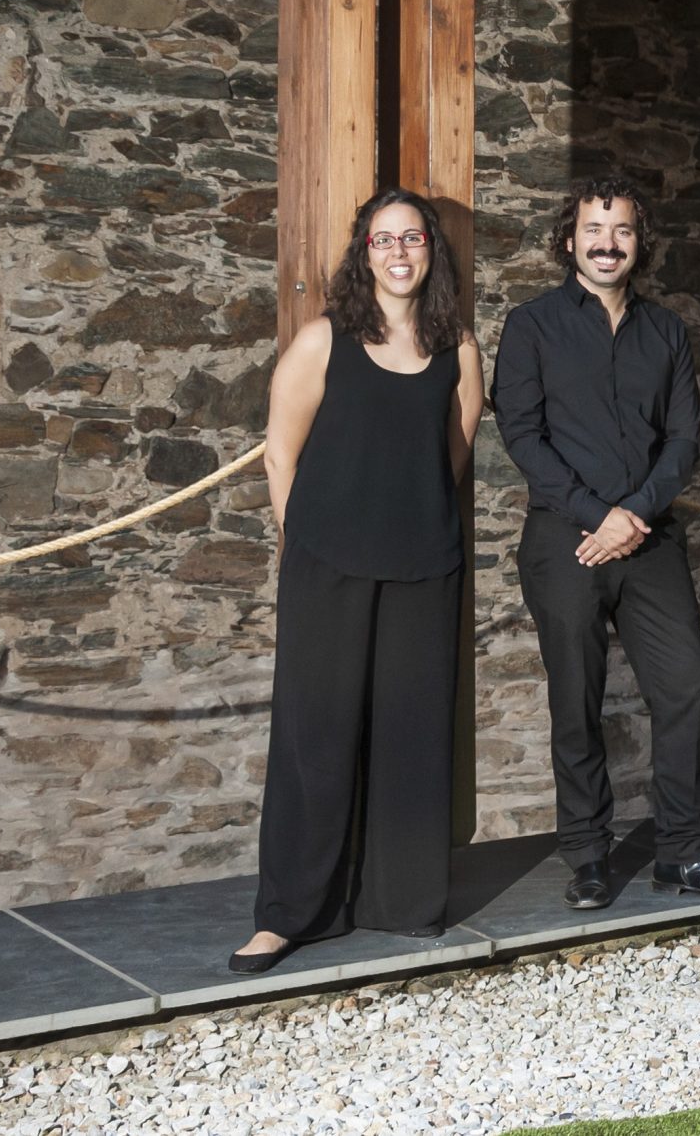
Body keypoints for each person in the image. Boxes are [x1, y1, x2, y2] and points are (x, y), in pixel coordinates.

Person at [493, 176, 700, 911]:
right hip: (566, 538)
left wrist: (634, 513)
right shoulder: (532, 325)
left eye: (620, 230)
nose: (607, 242)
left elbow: (684, 440)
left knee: (686, 680)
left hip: (648, 537)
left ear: (638, 243)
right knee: (577, 698)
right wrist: (597, 515)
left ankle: (684, 849)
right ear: (569, 239)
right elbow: (522, 433)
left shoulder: (666, 332)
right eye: (594, 228)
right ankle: (587, 853)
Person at [231, 188, 483, 974]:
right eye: (384, 241)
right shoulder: (323, 339)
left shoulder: (460, 348)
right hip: (326, 566)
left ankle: (400, 901)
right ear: (363, 253)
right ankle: (289, 913)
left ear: (431, 251)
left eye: (413, 238)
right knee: (317, 735)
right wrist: (303, 544)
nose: (400, 253)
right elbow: (281, 454)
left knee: (412, 735)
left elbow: (454, 450)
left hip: (423, 565)